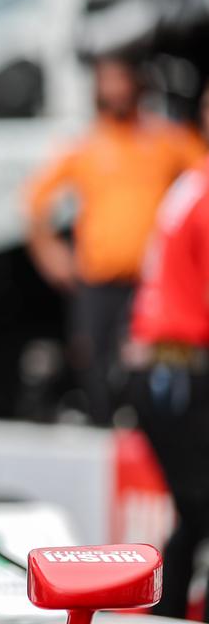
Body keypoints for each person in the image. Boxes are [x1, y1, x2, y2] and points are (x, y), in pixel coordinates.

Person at [26, 57, 204, 425]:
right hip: (98, 283)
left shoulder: (166, 139)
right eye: (108, 81)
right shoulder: (85, 145)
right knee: (95, 366)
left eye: (122, 80)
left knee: (153, 367)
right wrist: (48, 252)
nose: (116, 90)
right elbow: (35, 200)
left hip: (150, 286)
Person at [127, 84, 209, 621]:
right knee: (200, 512)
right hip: (178, 369)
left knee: (196, 515)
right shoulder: (200, 191)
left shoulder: (192, 183)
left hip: (161, 369)